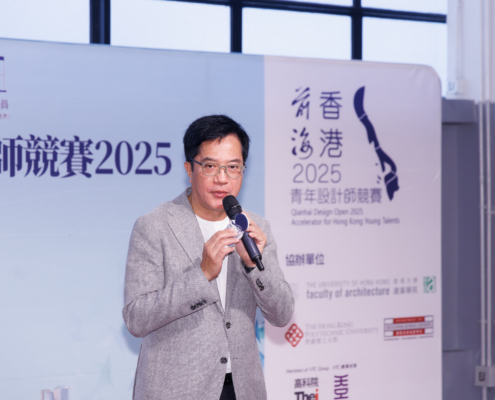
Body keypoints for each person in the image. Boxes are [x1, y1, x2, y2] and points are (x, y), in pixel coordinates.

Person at [123, 115, 294, 400]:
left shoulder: (255, 227)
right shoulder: (154, 226)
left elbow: (282, 314)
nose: (222, 179)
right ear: (189, 168)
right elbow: (136, 318)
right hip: (177, 391)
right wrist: (201, 275)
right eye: (210, 166)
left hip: (242, 389)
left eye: (233, 167)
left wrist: (253, 265)